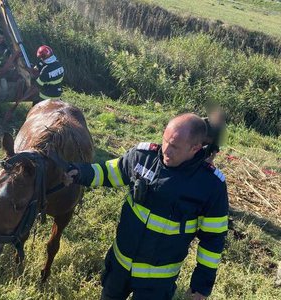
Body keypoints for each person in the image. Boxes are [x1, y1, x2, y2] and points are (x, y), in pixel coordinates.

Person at [63, 113, 229, 300]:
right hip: (120, 265)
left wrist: (200, 287)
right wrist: (80, 172)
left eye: (174, 146)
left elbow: (213, 240)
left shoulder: (211, 186)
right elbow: (110, 172)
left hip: (157, 282)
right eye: (165, 140)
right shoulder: (143, 157)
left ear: (195, 148)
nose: (166, 150)